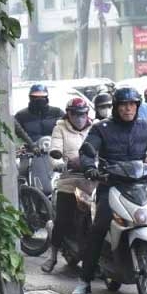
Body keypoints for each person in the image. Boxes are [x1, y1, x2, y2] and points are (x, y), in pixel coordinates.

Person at [72, 87, 147, 294]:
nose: (128, 108)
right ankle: (84, 282)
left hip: (142, 185)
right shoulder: (101, 128)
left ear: (138, 106)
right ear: (116, 107)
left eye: (132, 104)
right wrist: (89, 168)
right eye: (124, 105)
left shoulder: (146, 127)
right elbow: (87, 152)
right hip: (110, 185)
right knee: (98, 230)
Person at [42, 96, 95, 273]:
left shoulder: (96, 127)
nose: (80, 118)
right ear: (69, 114)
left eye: (83, 114)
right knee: (63, 220)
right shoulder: (60, 128)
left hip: (93, 180)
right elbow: (54, 149)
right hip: (69, 180)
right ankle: (53, 256)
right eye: (75, 114)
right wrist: (58, 162)